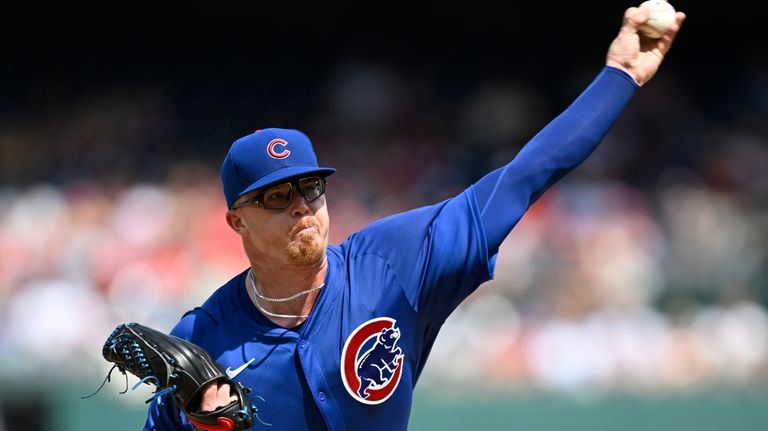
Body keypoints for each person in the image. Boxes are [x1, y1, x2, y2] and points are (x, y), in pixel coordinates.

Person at [145, 5, 685, 430]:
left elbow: (526, 176)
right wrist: (199, 426)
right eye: (273, 197)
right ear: (236, 221)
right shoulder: (203, 338)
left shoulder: (393, 264)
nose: (300, 206)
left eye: (309, 186)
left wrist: (620, 76)